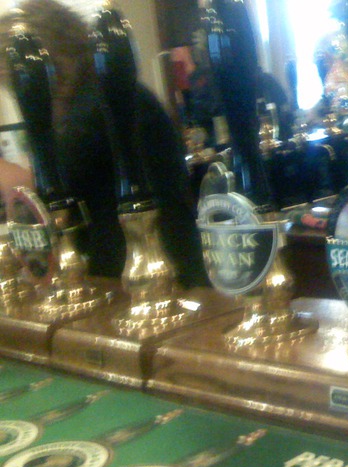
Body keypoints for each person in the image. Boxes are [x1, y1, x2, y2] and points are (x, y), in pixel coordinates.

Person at [0, 0, 208, 288]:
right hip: (145, 267)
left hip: (156, 274)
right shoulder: (105, 94)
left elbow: (42, 192)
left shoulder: (96, 102)